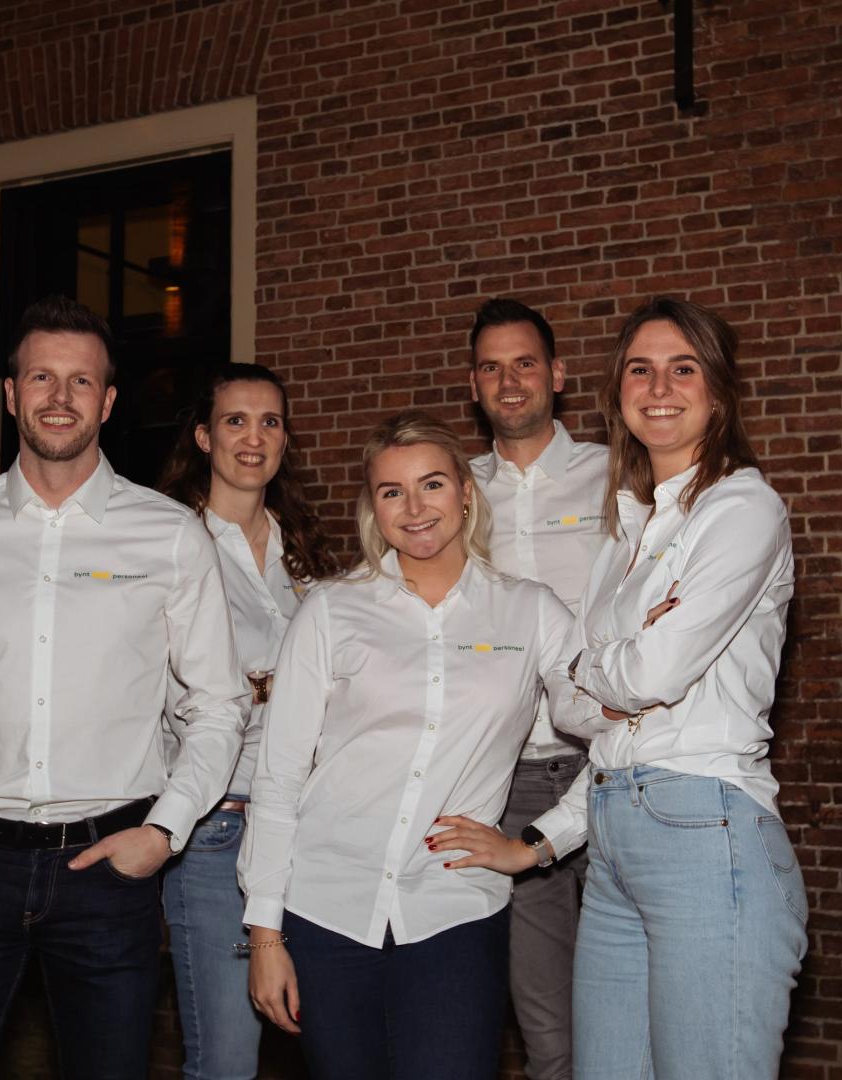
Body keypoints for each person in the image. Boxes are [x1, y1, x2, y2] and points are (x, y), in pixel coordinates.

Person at [0, 294, 249, 1080]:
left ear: (107, 401)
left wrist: (163, 832)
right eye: (42, 377)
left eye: (81, 381)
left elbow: (216, 706)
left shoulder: (170, 536)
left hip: (109, 869)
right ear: (11, 393)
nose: (60, 396)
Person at [434, 297, 808, 1079]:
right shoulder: (626, 533)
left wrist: (606, 667)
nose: (659, 387)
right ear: (617, 389)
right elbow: (593, 717)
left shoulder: (742, 507)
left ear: (719, 389)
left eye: (683, 368)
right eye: (641, 369)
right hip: (611, 835)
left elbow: (648, 675)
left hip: (706, 831)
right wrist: (535, 844)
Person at [237, 411, 592, 1080]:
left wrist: (539, 844)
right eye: (391, 491)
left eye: (432, 484)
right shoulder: (331, 610)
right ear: (374, 508)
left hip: (455, 911)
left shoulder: (531, 611)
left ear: (466, 492)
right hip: (324, 909)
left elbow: (622, 736)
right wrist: (264, 934)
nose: (415, 507)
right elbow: (279, 777)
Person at [154, 363, 341, 1080]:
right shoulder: (171, 542)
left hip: (309, 825)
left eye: (270, 422)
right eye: (235, 420)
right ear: (204, 437)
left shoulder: (306, 550)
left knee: (329, 1043)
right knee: (228, 1061)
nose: (253, 437)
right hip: (217, 826)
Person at [467, 298, 608, 1080]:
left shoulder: (616, 476)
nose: (509, 381)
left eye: (525, 363)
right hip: (507, 783)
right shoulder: (453, 492)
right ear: (474, 385)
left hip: (610, 768)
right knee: (547, 1025)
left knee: (633, 1004)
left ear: (557, 373)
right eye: (491, 367)